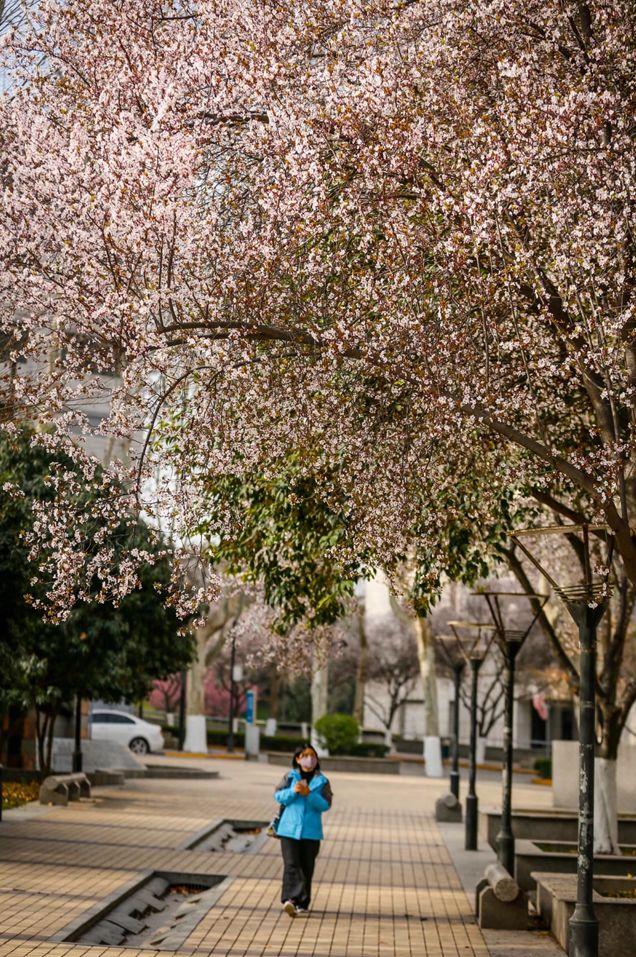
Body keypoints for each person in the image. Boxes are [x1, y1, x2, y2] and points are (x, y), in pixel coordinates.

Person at [274, 743, 333, 917]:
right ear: (298, 759)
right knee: (291, 864)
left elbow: (325, 804)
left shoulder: (322, 781)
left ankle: (303, 901)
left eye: (313, 756)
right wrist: (293, 791)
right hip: (288, 830)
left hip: (311, 832)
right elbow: (278, 796)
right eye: (306, 756)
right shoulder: (289, 777)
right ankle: (289, 900)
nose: (310, 759)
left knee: (307, 867)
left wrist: (310, 794)